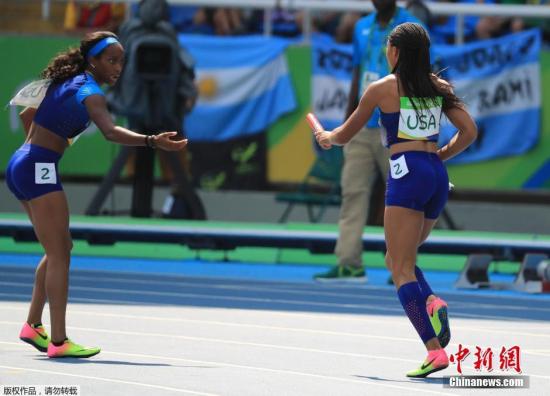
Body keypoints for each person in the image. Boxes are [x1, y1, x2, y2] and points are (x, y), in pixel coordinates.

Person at [6, 31, 187, 358]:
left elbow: (26, 114)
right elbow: (111, 132)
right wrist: (151, 141)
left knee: (58, 247)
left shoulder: (67, 81)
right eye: (111, 60)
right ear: (93, 61)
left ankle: (33, 325)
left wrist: (45, 143)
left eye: (122, 60)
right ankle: (59, 342)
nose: (118, 67)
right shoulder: (89, 91)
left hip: (22, 163)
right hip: (38, 165)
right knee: (60, 253)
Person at [313, 22, 477, 377]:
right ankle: (432, 300)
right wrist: (437, 159)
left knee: (399, 267)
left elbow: (346, 133)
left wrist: (327, 137)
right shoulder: (439, 86)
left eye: (389, 47)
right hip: (435, 173)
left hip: (406, 172)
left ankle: (434, 352)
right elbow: (470, 131)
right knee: (399, 257)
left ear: (396, 52)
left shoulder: (382, 88)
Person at [314, 0, 422, 282]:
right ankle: (349, 262)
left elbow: (421, 75)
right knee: (352, 194)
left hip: (398, 129)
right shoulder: (362, 27)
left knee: (404, 200)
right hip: (364, 127)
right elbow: (357, 74)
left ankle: (403, 266)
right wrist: (347, 121)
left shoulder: (411, 26)